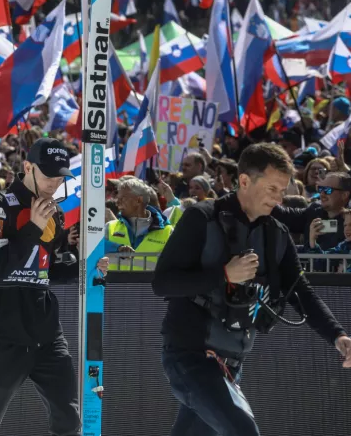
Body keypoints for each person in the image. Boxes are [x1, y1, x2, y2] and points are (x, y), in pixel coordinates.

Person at [153, 143, 351, 436]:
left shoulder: (277, 233)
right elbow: (162, 282)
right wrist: (224, 275)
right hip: (190, 356)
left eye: (282, 190)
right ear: (244, 181)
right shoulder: (202, 217)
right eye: (272, 188)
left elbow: (301, 292)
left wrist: (338, 335)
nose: (279, 198)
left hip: (231, 364)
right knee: (243, 431)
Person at [0, 138, 109, 436]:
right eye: (49, 175)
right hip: (4, 336)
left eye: (61, 177)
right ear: (28, 167)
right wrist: (33, 228)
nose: (55, 184)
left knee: (69, 421)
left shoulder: (55, 212)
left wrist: (86, 268)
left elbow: (45, 269)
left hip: (47, 334)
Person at [105, 177, 174, 271]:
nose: (117, 202)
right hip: (113, 281)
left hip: (151, 282)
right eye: (117, 198)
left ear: (138, 200)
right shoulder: (110, 227)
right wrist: (117, 248)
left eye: (122, 198)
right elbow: (93, 247)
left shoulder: (168, 232)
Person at [272, 171, 351, 251]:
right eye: (320, 189)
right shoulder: (314, 210)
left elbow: (326, 251)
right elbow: (283, 215)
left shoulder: (348, 222)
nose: (322, 194)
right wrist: (268, 197)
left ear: (344, 195)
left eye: (327, 190)